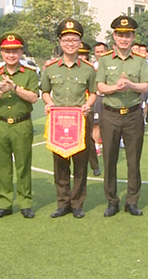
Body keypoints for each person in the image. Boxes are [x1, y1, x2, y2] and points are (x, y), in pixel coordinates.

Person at [97, 16, 148, 217]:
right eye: (120, 35)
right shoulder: (105, 59)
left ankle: (132, 201)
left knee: (133, 160)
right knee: (109, 159)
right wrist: (115, 87)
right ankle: (112, 201)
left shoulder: (140, 60)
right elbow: (100, 87)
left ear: (133, 37)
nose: (124, 39)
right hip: (110, 114)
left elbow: (145, 86)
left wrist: (130, 85)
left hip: (132, 114)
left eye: (127, 35)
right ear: (114, 36)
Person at [41, 19, 96, 218]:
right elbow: (45, 91)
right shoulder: (51, 67)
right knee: (60, 164)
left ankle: (77, 203)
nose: (70, 44)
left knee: (80, 165)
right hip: (58, 122)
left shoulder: (88, 68)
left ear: (80, 43)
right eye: (66, 40)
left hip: (80, 121)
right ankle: (63, 203)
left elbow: (94, 92)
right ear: (60, 42)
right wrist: (49, 103)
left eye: (74, 40)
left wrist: (88, 105)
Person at [0, 32, 39, 219]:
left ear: (21, 52)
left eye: (15, 51)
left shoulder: (29, 73)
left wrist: (14, 88)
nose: (11, 55)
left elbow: (33, 97)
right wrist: (1, 92)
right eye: (7, 51)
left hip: (21, 123)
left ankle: (25, 203)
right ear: (1, 53)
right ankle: (4, 203)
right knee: (2, 166)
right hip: (0, 123)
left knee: (23, 164)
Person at [78, 41, 101, 177]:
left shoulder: (91, 69)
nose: (81, 57)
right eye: (79, 54)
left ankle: (94, 165)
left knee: (87, 137)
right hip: (72, 108)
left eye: (83, 55)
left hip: (87, 107)